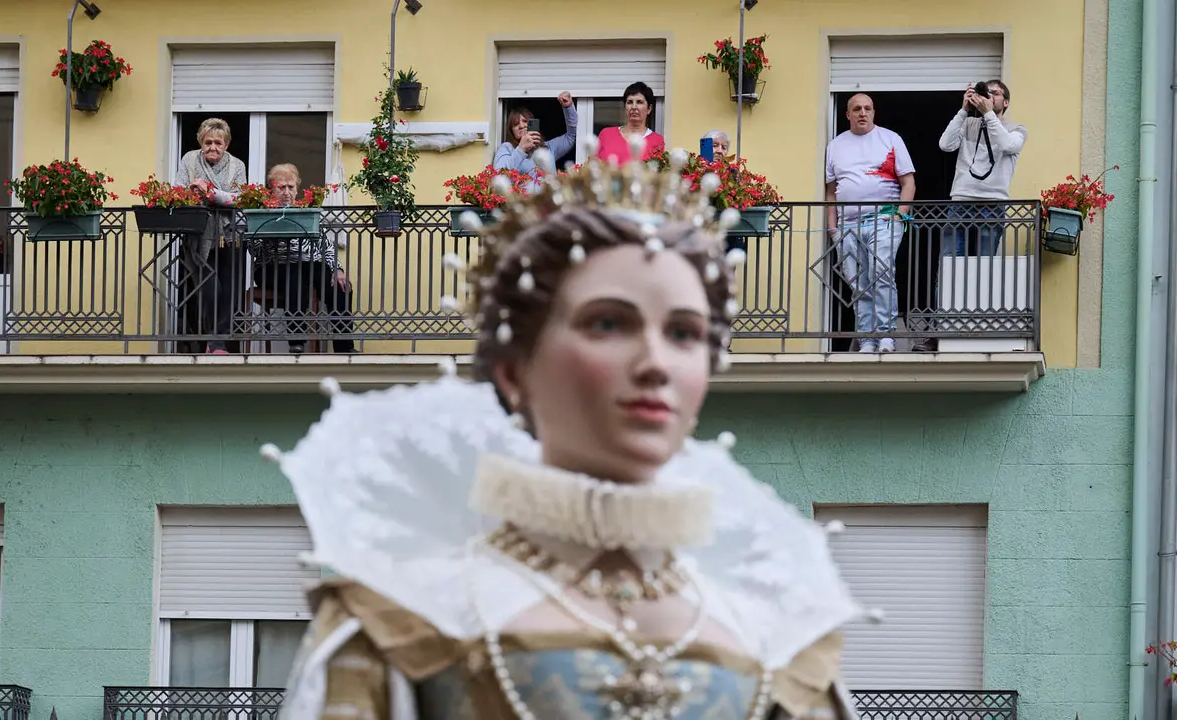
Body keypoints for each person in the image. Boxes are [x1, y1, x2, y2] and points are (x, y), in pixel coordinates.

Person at [267, 140, 867, 720]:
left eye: (684, 332)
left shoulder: (776, 632)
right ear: (513, 370)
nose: (656, 362)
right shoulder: (404, 613)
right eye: (608, 323)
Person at [915, 80, 1027, 352]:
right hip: (961, 202)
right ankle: (941, 332)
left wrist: (988, 114)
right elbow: (944, 144)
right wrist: (964, 110)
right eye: (985, 93)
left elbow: (1008, 145)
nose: (989, 97)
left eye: (996, 93)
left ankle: (977, 330)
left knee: (984, 269)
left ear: (1006, 102)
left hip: (992, 205)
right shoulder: (967, 124)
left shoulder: (1015, 128)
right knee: (949, 267)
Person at [824, 93, 916, 353]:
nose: (862, 113)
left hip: (883, 219)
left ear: (874, 112)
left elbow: (908, 183)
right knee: (858, 283)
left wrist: (900, 215)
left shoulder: (890, 139)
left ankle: (886, 335)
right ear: (848, 115)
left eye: (867, 108)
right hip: (846, 226)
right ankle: (867, 339)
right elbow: (831, 191)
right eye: (857, 109)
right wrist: (833, 227)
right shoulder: (836, 145)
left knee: (881, 274)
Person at [247, 163, 355, 354]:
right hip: (273, 266)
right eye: (281, 187)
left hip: (309, 265)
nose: (286, 192)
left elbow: (326, 246)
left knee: (338, 284)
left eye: (291, 187)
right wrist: (269, 233)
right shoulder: (263, 212)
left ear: (297, 189)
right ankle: (296, 340)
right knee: (295, 272)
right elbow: (254, 249)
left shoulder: (306, 213)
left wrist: (338, 269)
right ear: (272, 190)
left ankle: (344, 346)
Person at [176, 117, 247, 355]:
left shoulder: (237, 165)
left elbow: (240, 199)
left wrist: (211, 192)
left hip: (231, 235)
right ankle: (211, 339)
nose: (213, 147)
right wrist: (194, 192)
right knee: (209, 288)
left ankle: (217, 344)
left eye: (218, 142)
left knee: (229, 291)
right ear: (200, 142)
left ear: (226, 145)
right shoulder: (189, 159)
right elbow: (179, 192)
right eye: (208, 142)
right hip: (200, 233)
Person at [493, 92, 578, 178]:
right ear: (511, 131)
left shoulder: (548, 147)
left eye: (525, 121)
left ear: (532, 124)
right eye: (515, 124)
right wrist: (521, 149)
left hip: (549, 191)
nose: (521, 126)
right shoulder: (507, 148)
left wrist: (568, 108)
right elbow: (499, 176)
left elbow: (571, 137)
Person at [596, 82, 666, 165]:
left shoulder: (657, 141)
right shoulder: (606, 134)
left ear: (649, 109)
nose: (633, 107)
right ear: (625, 107)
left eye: (639, 102)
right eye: (629, 102)